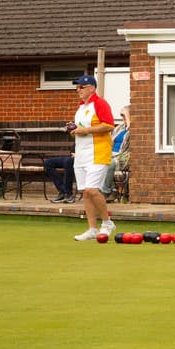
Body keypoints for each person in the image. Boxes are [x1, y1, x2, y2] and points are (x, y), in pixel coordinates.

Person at [69, 74, 118, 241]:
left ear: (91, 88)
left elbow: (109, 125)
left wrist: (85, 130)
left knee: (92, 190)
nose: (78, 90)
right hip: (81, 153)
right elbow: (82, 127)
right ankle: (92, 229)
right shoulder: (81, 107)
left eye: (81, 87)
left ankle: (107, 222)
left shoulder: (100, 103)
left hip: (98, 152)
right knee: (85, 192)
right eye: (77, 87)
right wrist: (74, 129)